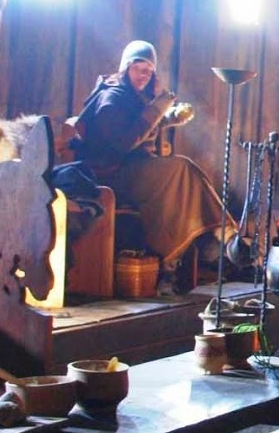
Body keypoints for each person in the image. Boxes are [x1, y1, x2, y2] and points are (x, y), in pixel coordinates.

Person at [69, 40, 232, 288]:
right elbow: (122, 143)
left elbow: (139, 126)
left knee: (181, 185)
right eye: (138, 68)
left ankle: (188, 250)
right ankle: (220, 233)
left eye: (148, 70)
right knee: (180, 169)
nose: (144, 75)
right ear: (126, 67)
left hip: (135, 170)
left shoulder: (135, 97)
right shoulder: (112, 96)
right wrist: (158, 108)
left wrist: (168, 117)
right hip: (110, 174)